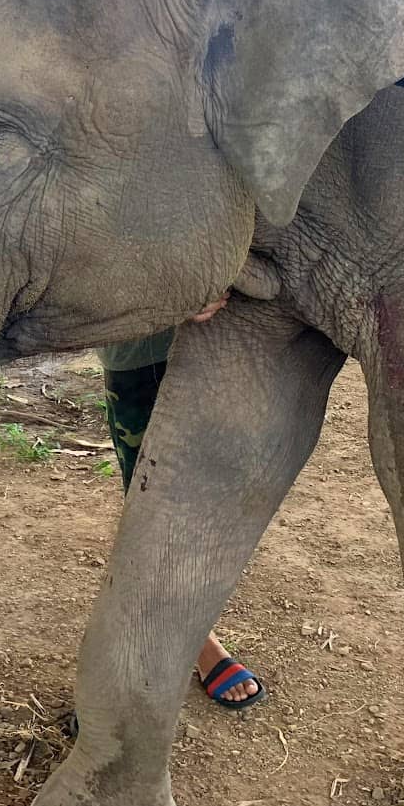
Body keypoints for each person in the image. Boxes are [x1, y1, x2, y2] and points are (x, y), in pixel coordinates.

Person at [96, 293, 263, 710]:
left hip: (230, 346)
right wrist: (167, 294)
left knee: (209, 504)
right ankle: (192, 642)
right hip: (142, 352)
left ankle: (188, 627)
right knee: (152, 508)